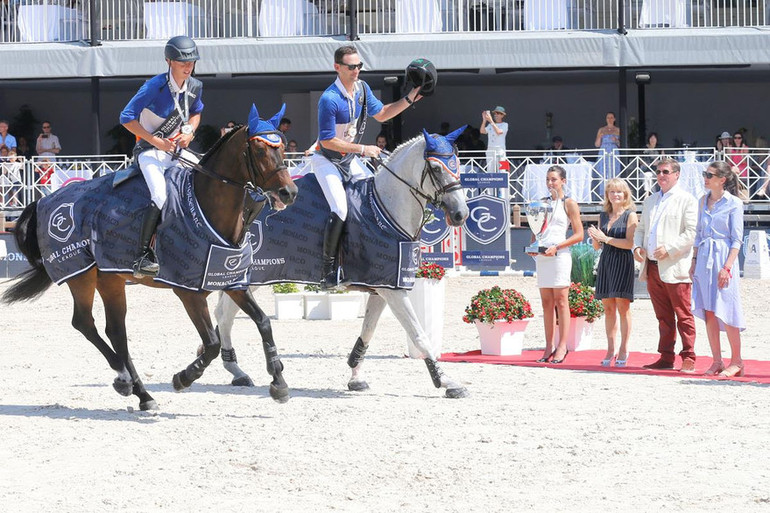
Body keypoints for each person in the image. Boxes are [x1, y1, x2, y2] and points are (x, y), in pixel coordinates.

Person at [312, 46, 431, 289]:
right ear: (337, 68)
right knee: (341, 209)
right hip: (328, 161)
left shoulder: (362, 89)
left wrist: (410, 98)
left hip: (348, 159)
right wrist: (364, 149)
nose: (357, 70)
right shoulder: (329, 99)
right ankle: (328, 272)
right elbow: (327, 140)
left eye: (359, 66)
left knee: (374, 196)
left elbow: (384, 114)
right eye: (351, 66)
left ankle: (368, 256)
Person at [119, 35, 204, 278]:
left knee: (209, 176)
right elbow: (126, 118)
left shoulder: (195, 86)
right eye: (181, 62)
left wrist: (189, 131)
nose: (188, 67)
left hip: (177, 150)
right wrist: (155, 140)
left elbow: (197, 112)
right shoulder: (153, 86)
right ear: (169, 61)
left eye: (191, 62)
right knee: (160, 194)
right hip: (149, 151)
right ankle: (142, 255)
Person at [633, 157, 698, 372]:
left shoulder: (686, 199)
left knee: (683, 313)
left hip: (674, 265)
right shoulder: (650, 200)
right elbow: (641, 229)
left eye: (666, 171)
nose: (661, 175)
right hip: (652, 266)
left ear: (677, 174)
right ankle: (666, 356)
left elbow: (691, 232)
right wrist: (637, 247)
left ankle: (689, 356)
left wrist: (669, 249)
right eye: (658, 172)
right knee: (663, 316)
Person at [689, 161, 746, 378]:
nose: (705, 178)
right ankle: (717, 360)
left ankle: (737, 361)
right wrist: (694, 260)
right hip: (704, 257)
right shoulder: (702, 201)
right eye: (705, 174)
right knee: (709, 310)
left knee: (728, 309)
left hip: (723, 256)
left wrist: (728, 267)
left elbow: (737, 239)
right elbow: (699, 234)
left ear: (722, 179)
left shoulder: (734, 204)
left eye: (710, 175)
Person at [527, 165, 584, 365]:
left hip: (560, 255)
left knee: (561, 301)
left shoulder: (569, 203)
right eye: (548, 179)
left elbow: (579, 234)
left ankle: (562, 346)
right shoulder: (541, 204)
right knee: (546, 303)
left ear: (563, 181)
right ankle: (548, 345)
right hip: (543, 257)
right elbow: (536, 230)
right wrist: (534, 245)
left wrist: (557, 246)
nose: (551, 183)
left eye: (554, 179)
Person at [588, 178, 638, 367]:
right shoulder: (603, 215)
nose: (616, 195)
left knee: (623, 308)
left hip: (622, 261)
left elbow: (629, 244)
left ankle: (624, 348)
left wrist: (605, 238)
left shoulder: (630, 215)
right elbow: (597, 246)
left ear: (625, 194)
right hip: (606, 261)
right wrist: (595, 238)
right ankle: (610, 349)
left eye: (619, 192)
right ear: (607, 195)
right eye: (612, 192)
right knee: (608, 308)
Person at [594, 111, 620, 199]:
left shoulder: (617, 130)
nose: (609, 119)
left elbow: (621, 145)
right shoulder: (601, 130)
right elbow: (597, 144)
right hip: (603, 151)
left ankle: (614, 193)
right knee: (603, 173)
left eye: (611, 117)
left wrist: (616, 140)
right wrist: (600, 137)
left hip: (613, 151)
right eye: (608, 117)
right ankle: (604, 195)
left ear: (614, 119)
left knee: (613, 172)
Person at [479, 106, 508, 173]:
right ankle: (491, 183)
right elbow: (482, 131)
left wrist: (491, 121)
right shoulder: (490, 125)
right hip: (490, 149)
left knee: (502, 170)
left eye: (498, 113)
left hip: (500, 150)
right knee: (490, 170)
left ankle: (503, 183)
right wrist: (484, 120)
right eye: (495, 113)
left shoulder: (505, 124)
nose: (496, 115)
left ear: (502, 115)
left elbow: (499, 132)